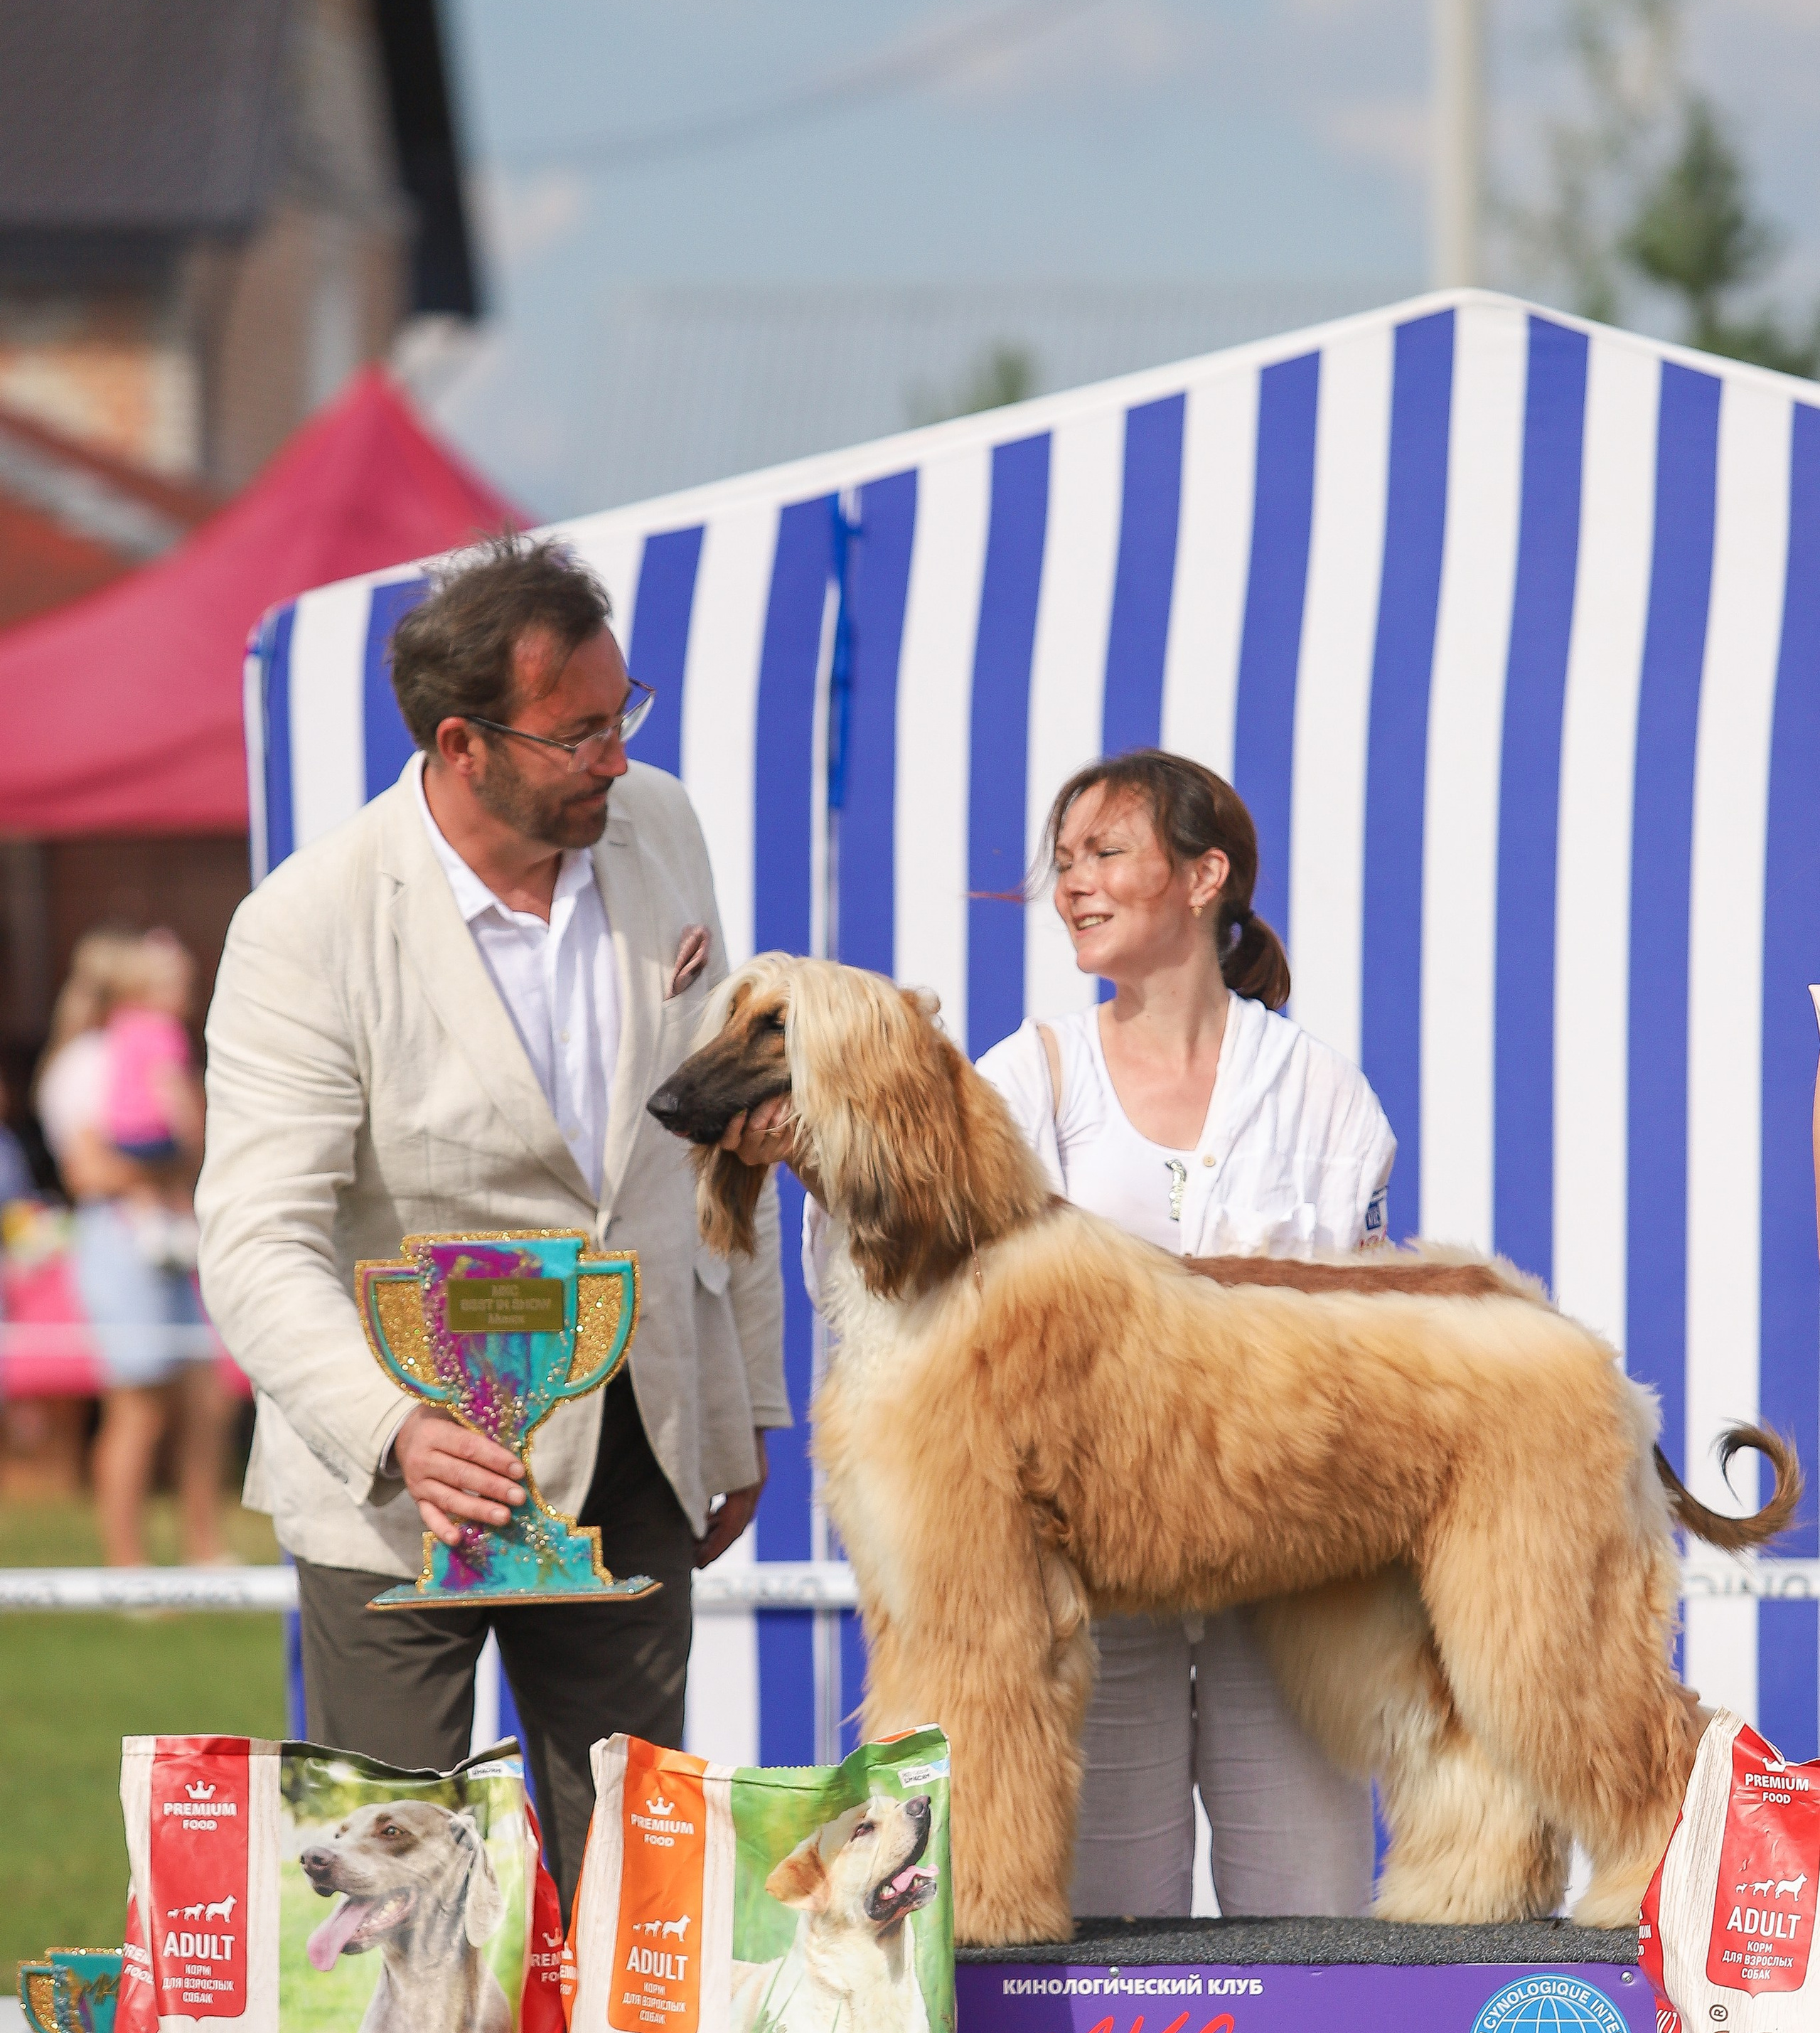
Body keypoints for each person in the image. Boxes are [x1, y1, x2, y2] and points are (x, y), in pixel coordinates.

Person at [196, 533, 788, 1910]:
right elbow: (255, 1238)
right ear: (463, 744)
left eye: (621, 711)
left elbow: (713, 1146)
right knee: (391, 1888)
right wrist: (390, 1426)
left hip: (641, 1432)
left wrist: (743, 1395)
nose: (615, 758)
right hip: (401, 1481)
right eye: (578, 732)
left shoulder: (667, 828)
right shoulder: (307, 923)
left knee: (639, 1882)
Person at [729, 746, 1394, 1923]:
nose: (1074, 883)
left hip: (1285, 1553)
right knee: (1105, 1910)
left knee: (1313, 1903)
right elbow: (906, 1284)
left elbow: (1365, 1322)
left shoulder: (1323, 1093)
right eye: (1065, 860)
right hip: (1081, 1556)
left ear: (1206, 878)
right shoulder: (1022, 1077)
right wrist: (827, 1168)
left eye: (1107, 853)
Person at [35, 926, 229, 1566]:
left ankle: (205, 1553)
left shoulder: (160, 1053)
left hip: (173, 1236)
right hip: (120, 1240)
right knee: (139, 1410)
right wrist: (162, 1167)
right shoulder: (85, 1063)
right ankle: (129, 1568)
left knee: (205, 1399)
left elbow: (194, 1145)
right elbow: (91, 1172)